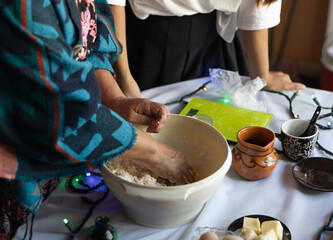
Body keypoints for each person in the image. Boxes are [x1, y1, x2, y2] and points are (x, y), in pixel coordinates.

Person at [0, 0, 194, 239]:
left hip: (58, 163)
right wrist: (159, 154)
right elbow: (65, 112)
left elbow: (88, 40)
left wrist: (115, 101)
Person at [107, 0, 306, 92]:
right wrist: (123, 76)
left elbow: (259, 3)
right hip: (142, 42)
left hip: (215, 39)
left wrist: (262, 76)